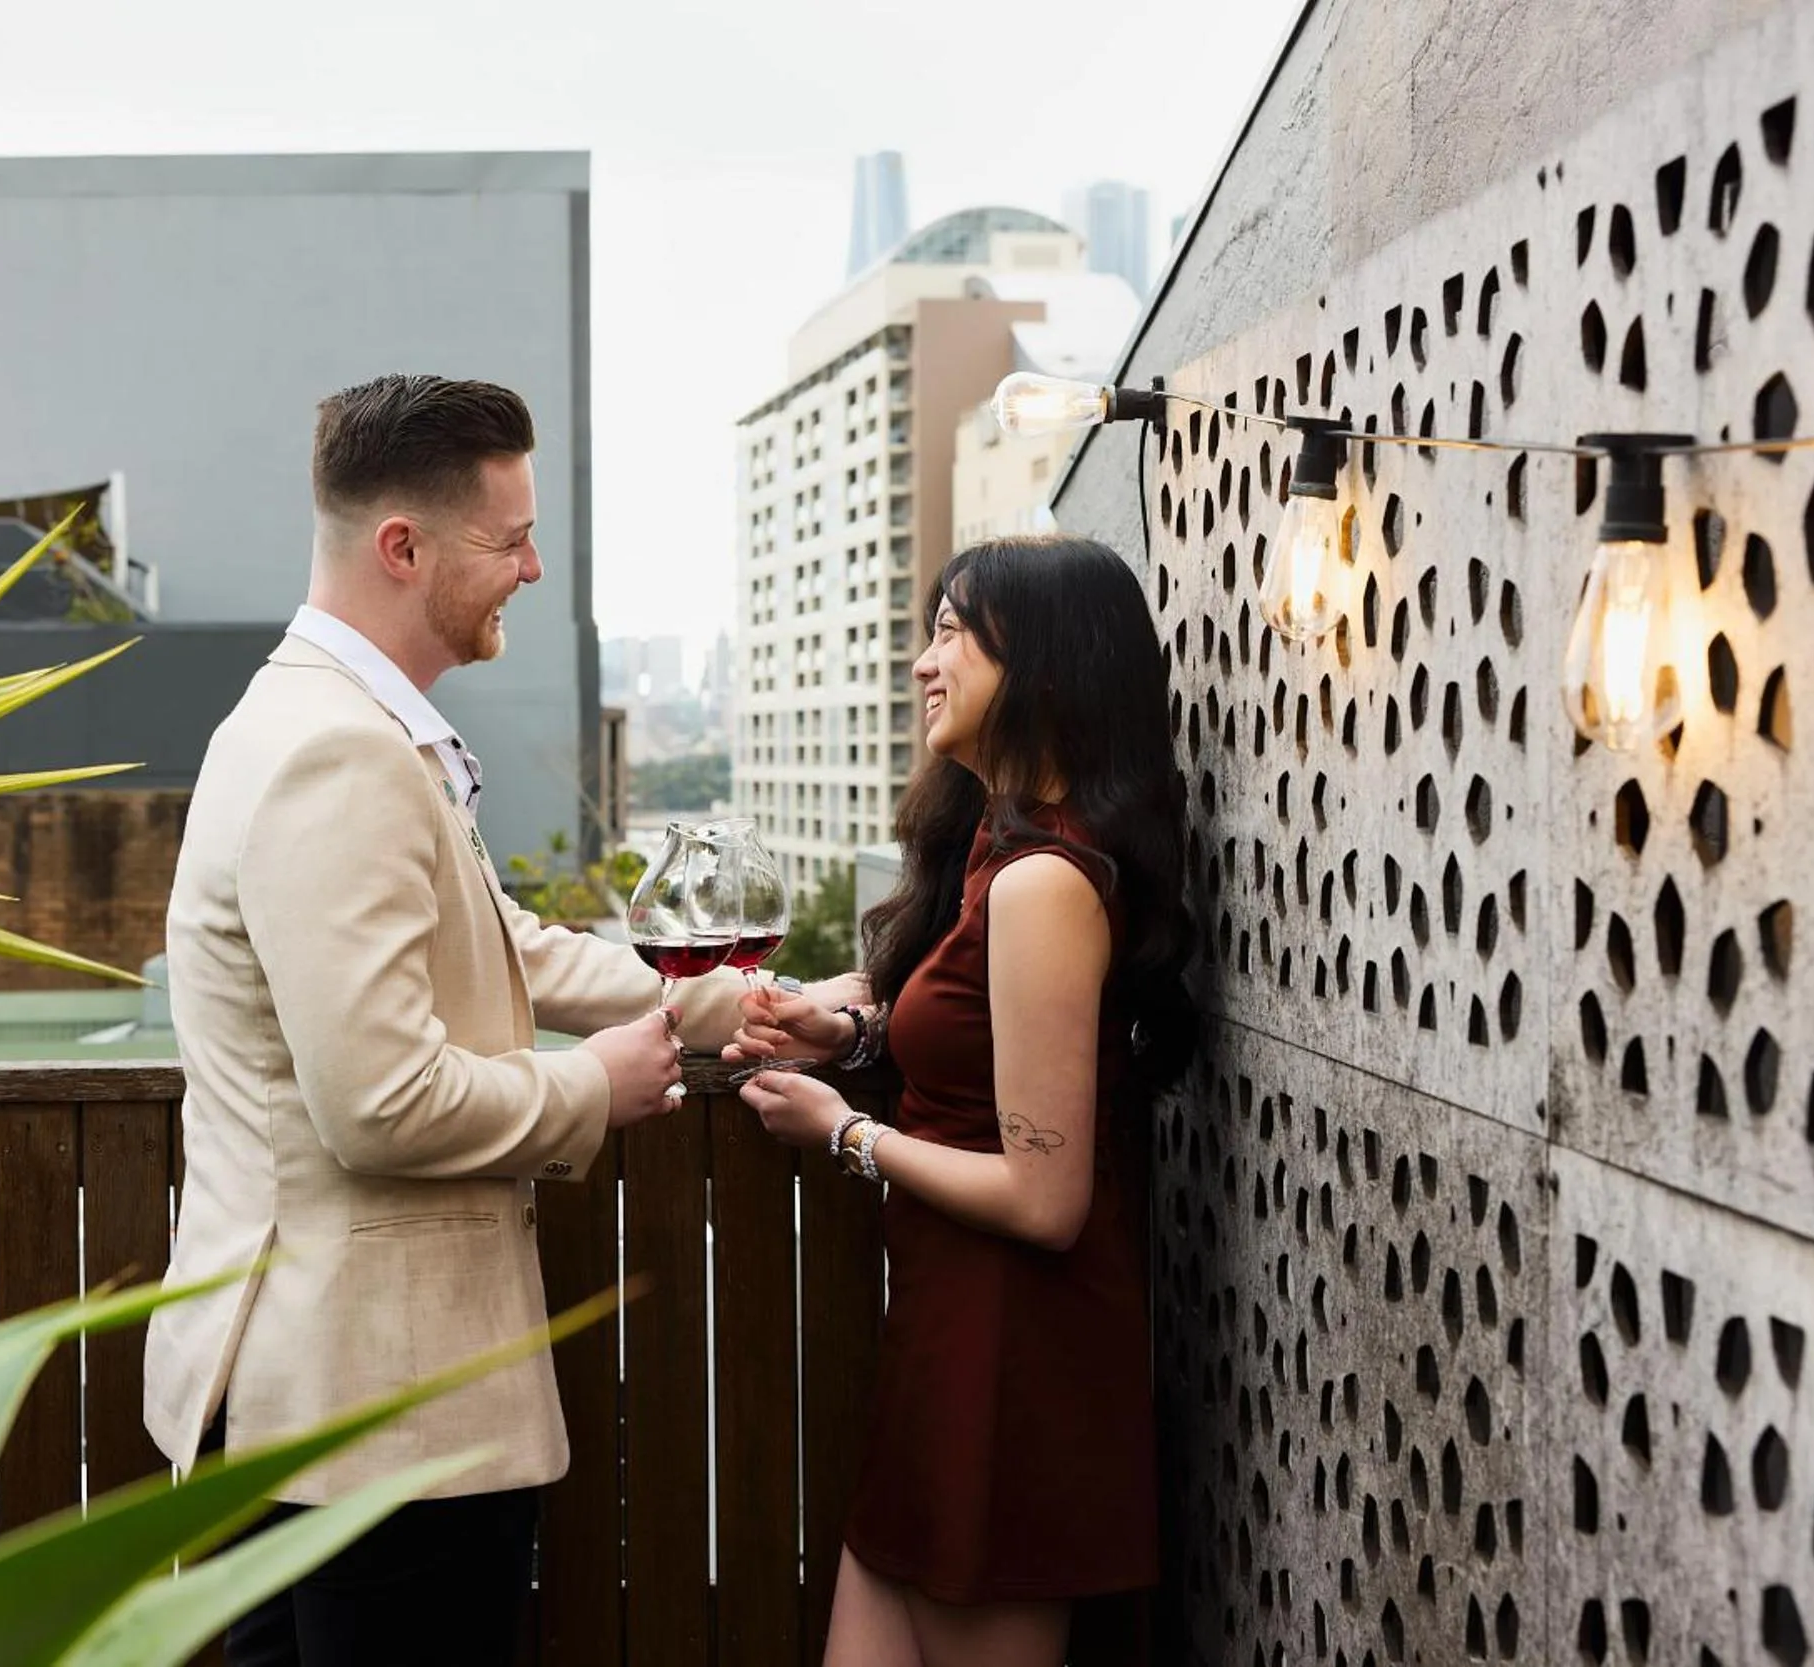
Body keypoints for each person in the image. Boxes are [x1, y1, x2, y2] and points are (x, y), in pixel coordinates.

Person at [143, 374, 768, 1666]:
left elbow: (500, 943)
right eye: (510, 537)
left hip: (319, 1393)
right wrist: (595, 1083)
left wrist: (723, 1004)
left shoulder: (340, 723)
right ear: (402, 546)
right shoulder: (342, 752)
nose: (534, 568)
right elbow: (379, 1102)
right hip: (374, 1406)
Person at [728, 534, 1199, 1667]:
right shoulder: (999, 847)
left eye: (951, 632)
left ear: (1037, 667)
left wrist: (843, 1130)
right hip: (950, 1342)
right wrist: (858, 1029)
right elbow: (986, 1049)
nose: (922, 661)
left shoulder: (1045, 880)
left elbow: (1045, 1197)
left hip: (1013, 1362)